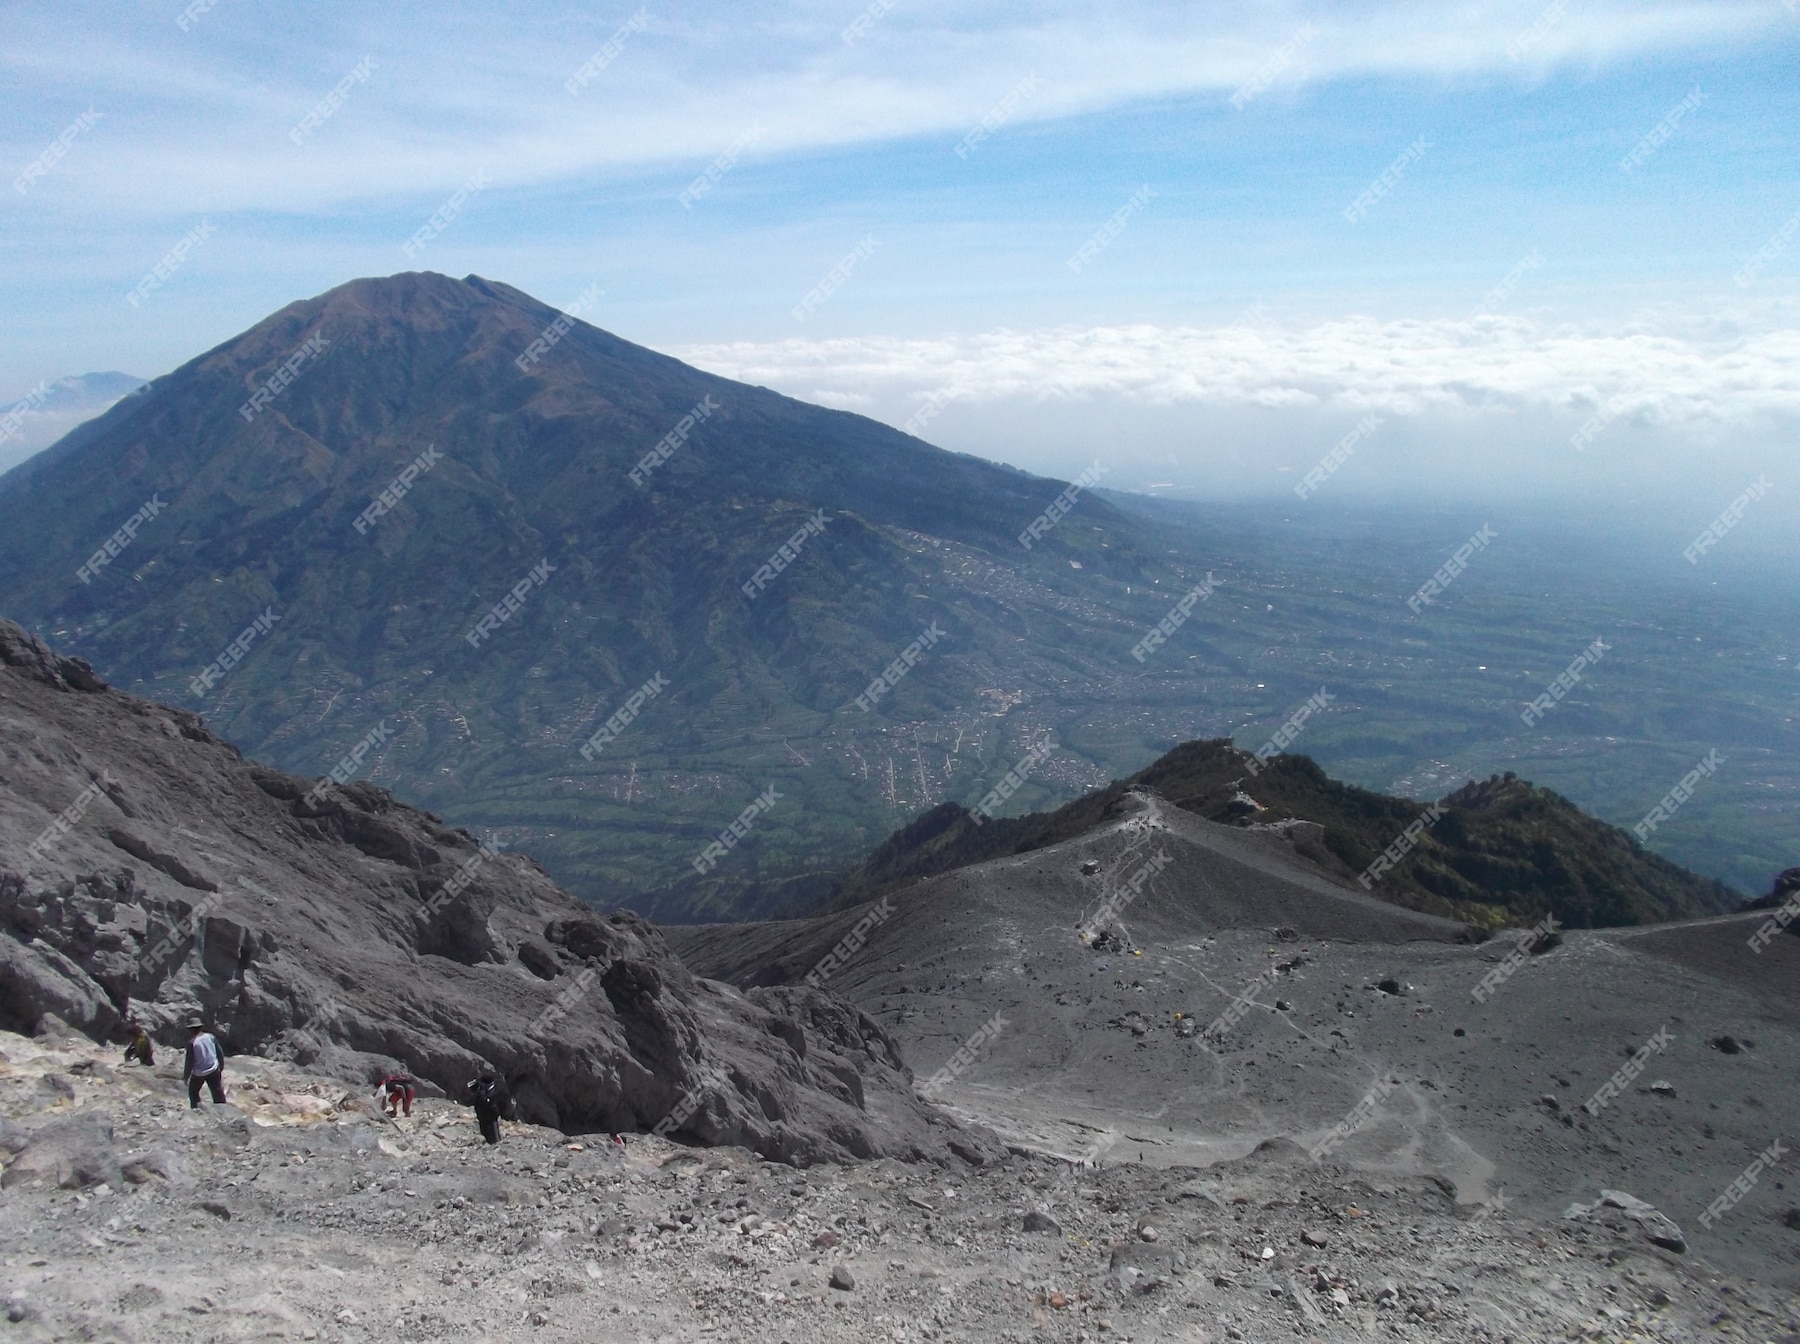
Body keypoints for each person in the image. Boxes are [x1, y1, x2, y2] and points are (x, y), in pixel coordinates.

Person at [183, 1017, 226, 1108]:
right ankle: (223, 1109)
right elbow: (219, 1052)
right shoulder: (210, 1037)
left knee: (193, 1092)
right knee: (217, 1091)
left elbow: (189, 1061)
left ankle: (196, 1109)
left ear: (191, 1029)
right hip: (214, 1069)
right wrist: (221, 1065)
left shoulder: (192, 1043)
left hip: (199, 1073)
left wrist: (186, 1076)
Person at [466, 1074, 508, 1145]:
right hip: (482, 1116)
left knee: (494, 1134)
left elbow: (500, 1103)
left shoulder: (496, 1091)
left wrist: (496, 1112)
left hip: (492, 1116)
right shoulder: (481, 1091)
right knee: (485, 1133)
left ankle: (496, 1144)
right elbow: (470, 1086)